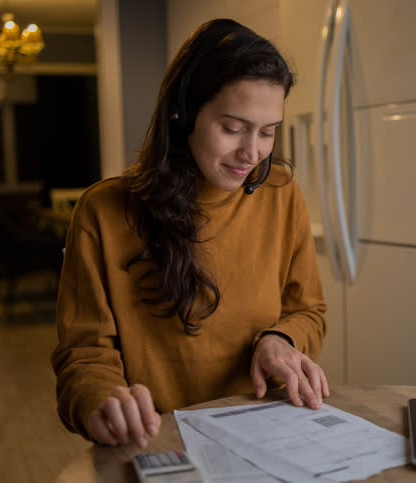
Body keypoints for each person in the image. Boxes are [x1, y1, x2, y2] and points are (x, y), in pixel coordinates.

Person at [52, 18, 328, 447]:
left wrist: (280, 338)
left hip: (266, 435)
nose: (252, 153)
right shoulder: (103, 212)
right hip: (161, 443)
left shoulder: (281, 195)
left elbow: (309, 310)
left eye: (268, 132)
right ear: (182, 115)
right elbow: (83, 355)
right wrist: (100, 400)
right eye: (233, 128)